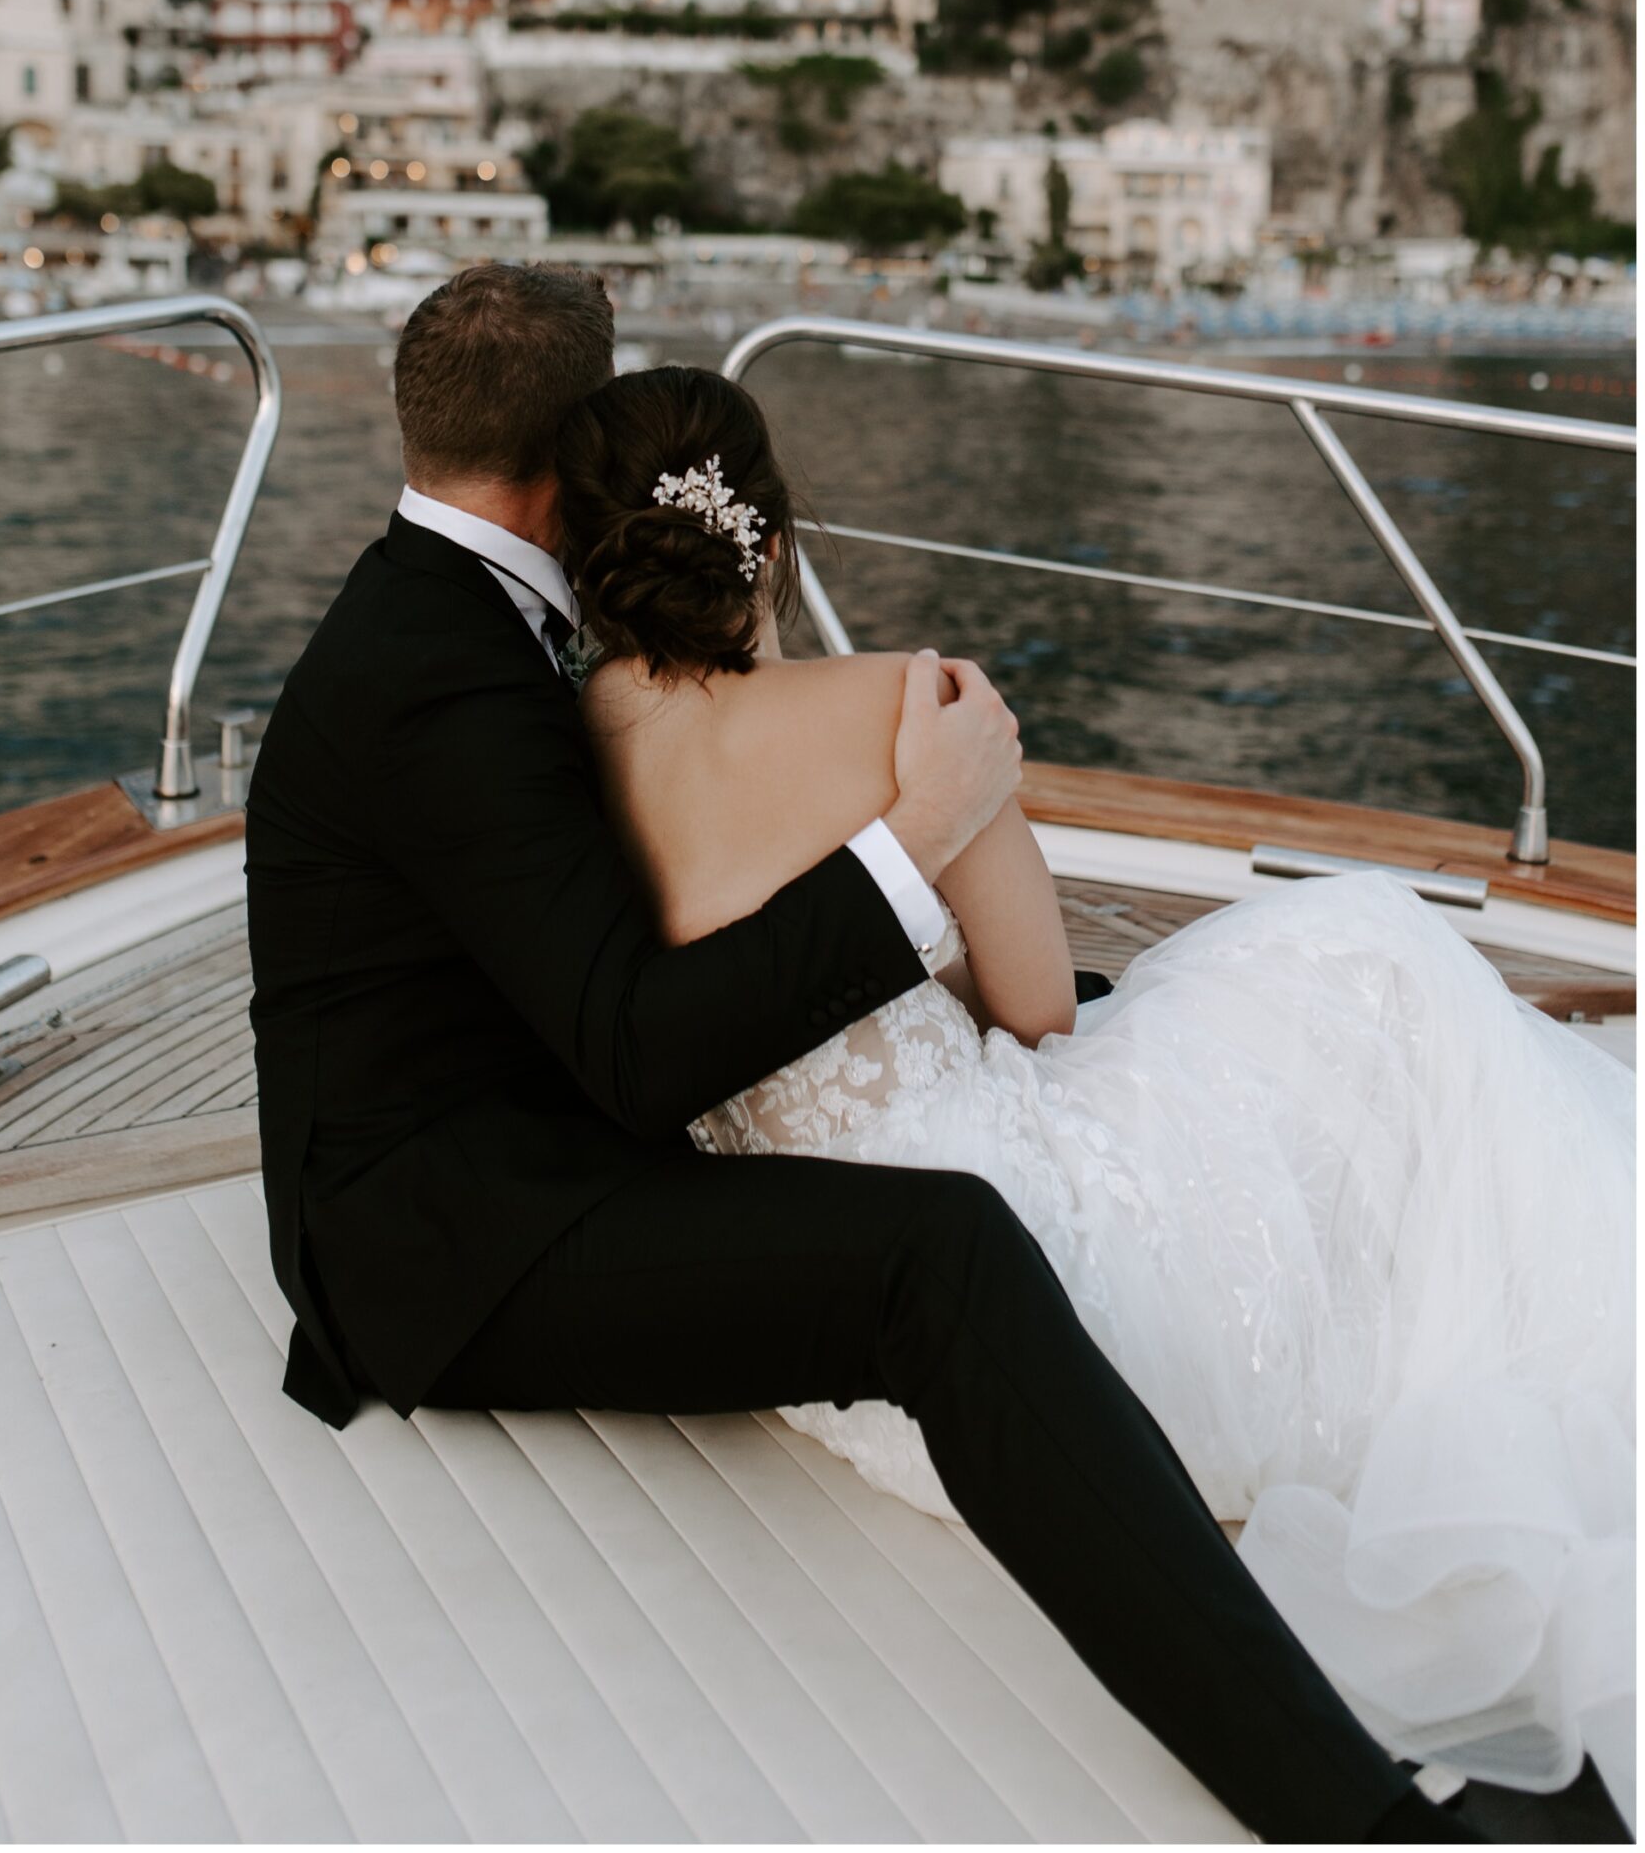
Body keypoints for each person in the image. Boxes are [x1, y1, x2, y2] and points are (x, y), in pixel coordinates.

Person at [245, 264, 1487, 1844]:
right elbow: (638, 1055)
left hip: (529, 1113)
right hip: (450, 1232)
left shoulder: (472, 613)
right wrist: (919, 840)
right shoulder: (436, 676)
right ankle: (1352, 1816)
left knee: (1084, 1038)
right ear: (580, 459)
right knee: (940, 1261)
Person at [557, 355, 1635, 1839]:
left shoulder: (561, 772)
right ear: (775, 545)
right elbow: (1041, 1003)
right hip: (1046, 1282)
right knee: (1368, 949)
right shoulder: (898, 705)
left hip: (852, 1357)